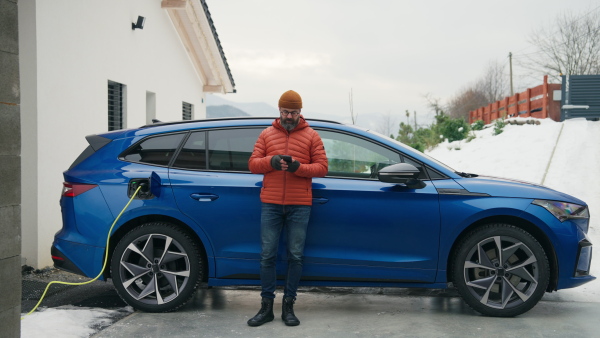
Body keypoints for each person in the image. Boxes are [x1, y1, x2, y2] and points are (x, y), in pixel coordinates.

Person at [247, 90, 328, 327]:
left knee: (295, 256)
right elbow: (253, 164)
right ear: (279, 110)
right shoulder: (266, 134)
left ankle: (289, 306)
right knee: (267, 256)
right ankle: (266, 308)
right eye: (285, 111)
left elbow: (322, 167)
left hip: (299, 205)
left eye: (293, 112)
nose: (289, 116)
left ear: (300, 112)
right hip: (271, 204)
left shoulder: (312, 136)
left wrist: (298, 168)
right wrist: (271, 162)